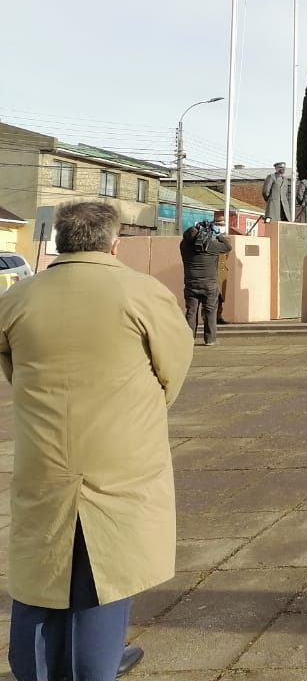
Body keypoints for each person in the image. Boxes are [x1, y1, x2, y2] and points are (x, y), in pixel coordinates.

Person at [0, 201, 192, 681]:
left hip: (44, 452)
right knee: (107, 572)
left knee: (40, 566)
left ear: (61, 241)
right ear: (114, 242)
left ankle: (34, 668)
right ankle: (96, 664)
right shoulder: (142, 293)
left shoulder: (20, 298)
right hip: (122, 453)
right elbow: (173, 368)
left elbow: (11, 365)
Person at [181, 211, 232, 346]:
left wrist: (196, 228)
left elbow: (187, 237)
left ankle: (187, 339)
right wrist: (217, 234)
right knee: (210, 311)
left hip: (191, 284)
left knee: (191, 311)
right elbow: (228, 246)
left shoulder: (184, 246)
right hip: (209, 284)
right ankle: (210, 339)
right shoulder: (211, 246)